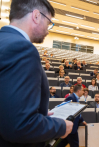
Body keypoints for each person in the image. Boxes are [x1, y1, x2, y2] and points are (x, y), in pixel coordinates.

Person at [0, 2, 76, 146]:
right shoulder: (23, 48)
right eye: (49, 22)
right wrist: (61, 126)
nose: (48, 30)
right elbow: (19, 127)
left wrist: (39, 115)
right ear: (36, 16)